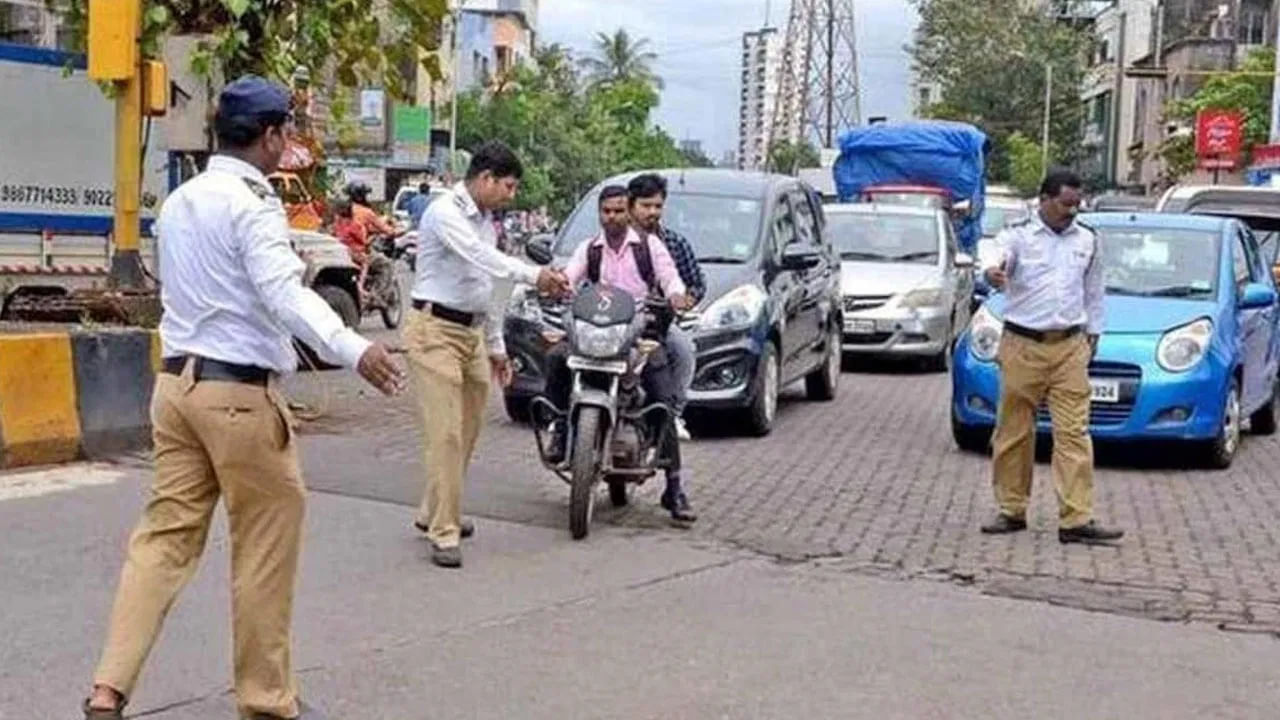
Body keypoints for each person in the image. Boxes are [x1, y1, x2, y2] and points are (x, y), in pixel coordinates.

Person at [81, 75, 404, 720]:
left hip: (175, 388)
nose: (288, 143)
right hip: (237, 398)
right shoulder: (253, 205)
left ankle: (107, 689)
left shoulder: (180, 201)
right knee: (263, 550)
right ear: (271, 136)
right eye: (286, 132)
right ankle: (264, 701)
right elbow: (286, 295)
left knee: (162, 541)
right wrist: (354, 349)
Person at [406, 140, 570, 568]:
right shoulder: (445, 214)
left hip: (471, 334)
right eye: (508, 186)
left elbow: (490, 286)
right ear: (485, 179)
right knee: (446, 433)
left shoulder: (485, 221)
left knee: (469, 427)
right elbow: (482, 258)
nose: (511, 196)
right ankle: (444, 530)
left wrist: (496, 347)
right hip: (433, 330)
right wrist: (537, 276)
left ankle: (432, 508)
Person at [979, 169, 1124, 545]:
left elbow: (1094, 291)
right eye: (1064, 204)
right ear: (1043, 199)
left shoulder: (1088, 240)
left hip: (1069, 347)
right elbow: (999, 258)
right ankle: (1011, 509)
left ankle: (1076, 519)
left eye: (1077, 205)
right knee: (1014, 432)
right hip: (1022, 344)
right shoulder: (1018, 235)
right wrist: (995, 272)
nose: (1072, 212)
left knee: (1074, 432)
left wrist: (1094, 333)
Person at [540, 185, 698, 525]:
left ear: (628, 211)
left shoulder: (649, 247)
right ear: (600, 214)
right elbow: (570, 278)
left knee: (662, 401)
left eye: (617, 210)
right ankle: (561, 431)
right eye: (606, 211)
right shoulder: (590, 249)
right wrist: (556, 287)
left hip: (637, 337)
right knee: (555, 358)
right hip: (595, 334)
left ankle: (674, 488)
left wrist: (676, 296)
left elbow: (671, 278)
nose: (612, 217)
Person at [627, 174, 707, 441]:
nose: (652, 212)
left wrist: (685, 299)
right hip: (614, 323)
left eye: (657, 206)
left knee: (683, 351)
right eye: (646, 205)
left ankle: (672, 415)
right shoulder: (609, 243)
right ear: (630, 206)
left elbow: (694, 282)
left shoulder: (674, 244)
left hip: (658, 326)